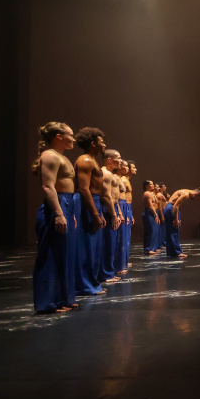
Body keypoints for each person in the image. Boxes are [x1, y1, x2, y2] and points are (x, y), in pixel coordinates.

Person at [31, 122, 78, 314]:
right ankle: (47, 303)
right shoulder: (50, 155)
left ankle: (62, 298)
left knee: (63, 255)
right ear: (59, 136)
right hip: (56, 206)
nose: (73, 139)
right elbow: (48, 187)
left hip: (66, 204)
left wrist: (70, 213)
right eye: (70, 135)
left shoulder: (61, 157)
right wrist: (59, 213)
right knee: (50, 255)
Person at [72, 127, 107, 296]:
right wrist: (94, 213)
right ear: (93, 143)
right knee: (86, 245)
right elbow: (83, 189)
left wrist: (99, 212)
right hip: (88, 202)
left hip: (95, 201)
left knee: (94, 246)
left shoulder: (93, 160)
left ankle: (91, 282)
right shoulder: (85, 160)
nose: (104, 145)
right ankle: (84, 285)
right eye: (101, 142)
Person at [96, 149, 123, 283]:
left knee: (112, 243)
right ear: (109, 160)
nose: (121, 160)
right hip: (107, 211)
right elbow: (106, 196)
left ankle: (109, 272)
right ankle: (105, 274)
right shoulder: (105, 173)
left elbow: (115, 195)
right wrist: (113, 215)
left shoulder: (111, 174)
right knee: (107, 243)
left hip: (112, 209)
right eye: (118, 157)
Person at [163, 187, 200, 258]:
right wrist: (176, 218)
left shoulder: (185, 191)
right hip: (171, 209)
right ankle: (177, 252)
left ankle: (171, 252)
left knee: (170, 231)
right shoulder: (186, 194)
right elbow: (175, 206)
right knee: (175, 230)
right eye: (196, 198)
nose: (194, 199)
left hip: (169, 208)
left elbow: (177, 205)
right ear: (196, 194)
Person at [142, 180, 161, 255]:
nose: (153, 186)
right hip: (149, 213)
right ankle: (148, 248)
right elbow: (150, 205)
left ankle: (154, 247)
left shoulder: (152, 193)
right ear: (146, 186)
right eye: (151, 184)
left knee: (155, 231)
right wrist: (155, 215)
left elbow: (157, 202)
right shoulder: (147, 193)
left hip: (154, 212)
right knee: (150, 231)